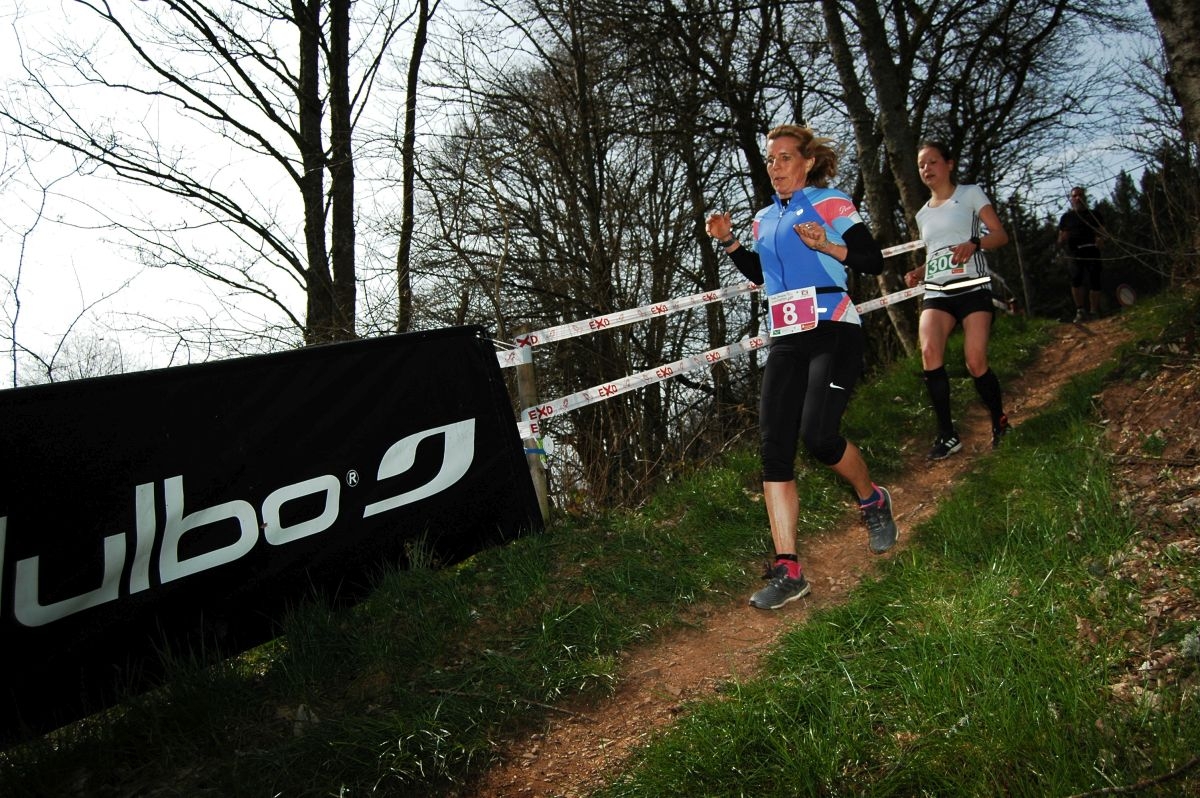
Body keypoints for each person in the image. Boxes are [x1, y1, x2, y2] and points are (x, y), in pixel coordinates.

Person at [705, 124, 897, 611]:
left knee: (819, 436)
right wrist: (729, 243)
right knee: (773, 449)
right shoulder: (763, 217)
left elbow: (872, 259)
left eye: (785, 157)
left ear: (808, 162)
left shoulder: (831, 203)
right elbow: (763, 274)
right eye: (771, 159)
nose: (776, 166)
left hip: (833, 328)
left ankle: (872, 499)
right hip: (786, 337)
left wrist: (826, 246)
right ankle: (788, 569)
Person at [903, 141, 1011, 460]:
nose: (926, 169)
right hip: (937, 292)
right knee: (929, 353)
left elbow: (1000, 235)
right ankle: (947, 435)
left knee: (975, 361)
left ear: (949, 164)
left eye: (932, 161)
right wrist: (919, 271)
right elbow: (937, 254)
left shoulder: (970, 194)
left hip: (973, 288)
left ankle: (1000, 421)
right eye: (921, 165)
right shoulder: (922, 214)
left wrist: (975, 243)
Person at [1057, 186, 1106, 322]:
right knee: (1076, 279)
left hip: (1092, 250)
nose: (1078, 198)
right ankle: (1080, 310)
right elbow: (1060, 239)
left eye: (1080, 195)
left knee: (1095, 280)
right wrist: (1062, 239)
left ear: (1085, 197)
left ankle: (1094, 311)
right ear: (1071, 199)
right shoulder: (1067, 217)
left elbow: (1103, 232)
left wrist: (1101, 239)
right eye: (1075, 196)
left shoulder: (1094, 215)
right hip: (1075, 252)